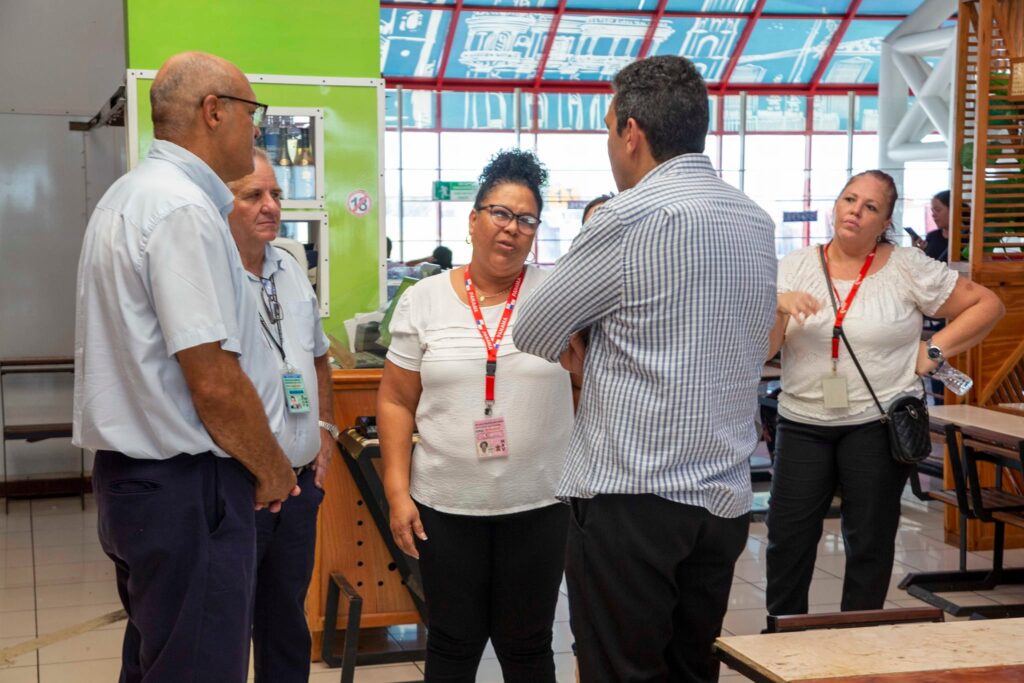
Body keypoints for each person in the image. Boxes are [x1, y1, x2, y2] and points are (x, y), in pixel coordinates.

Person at [515, 55, 777, 683]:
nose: (610, 146)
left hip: (634, 497)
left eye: (609, 131)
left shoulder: (627, 218)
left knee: (618, 670)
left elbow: (532, 327)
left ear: (631, 131)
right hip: (723, 498)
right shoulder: (755, 221)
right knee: (691, 669)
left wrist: (598, 337)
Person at [73, 52, 299, 682]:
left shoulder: (131, 196)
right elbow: (214, 381)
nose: (256, 128)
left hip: (137, 481)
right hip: (186, 486)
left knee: (158, 663)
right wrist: (275, 468)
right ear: (214, 111)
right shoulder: (182, 211)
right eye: (252, 113)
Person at [765, 170, 1004, 619]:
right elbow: (769, 349)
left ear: (885, 222)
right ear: (835, 206)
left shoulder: (907, 267)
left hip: (876, 424)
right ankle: (783, 639)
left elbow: (988, 304)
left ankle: (859, 643)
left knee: (869, 543)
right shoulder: (793, 266)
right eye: (848, 199)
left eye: (870, 206)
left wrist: (933, 350)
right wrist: (776, 306)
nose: (855, 210)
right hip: (802, 422)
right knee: (787, 541)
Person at [378, 149, 574, 683]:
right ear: (473, 220)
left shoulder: (558, 297)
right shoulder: (423, 301)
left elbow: (590, 382)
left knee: (529, 645)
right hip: (445, 506)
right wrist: (398, 494)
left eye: (526, 219)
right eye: (500, 213)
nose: (511, 229)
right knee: (451, 643)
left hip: (538, 502)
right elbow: (396, 400)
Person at [226, 149, 339, 683]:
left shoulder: (289, 269)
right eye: (254, 196)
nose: (271, 206)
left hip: (298, 488)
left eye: (275, 195)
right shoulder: (211, 276)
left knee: (286, 624)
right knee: (224, 629)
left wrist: (326, 432)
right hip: (237, 489)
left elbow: (318, 357)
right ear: (220, 203)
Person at [922, 190, 950, 260]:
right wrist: (918, 252)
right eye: (932, 211)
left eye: (938, 210)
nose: (933, 215)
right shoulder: (931, 237)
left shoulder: (966, 239)